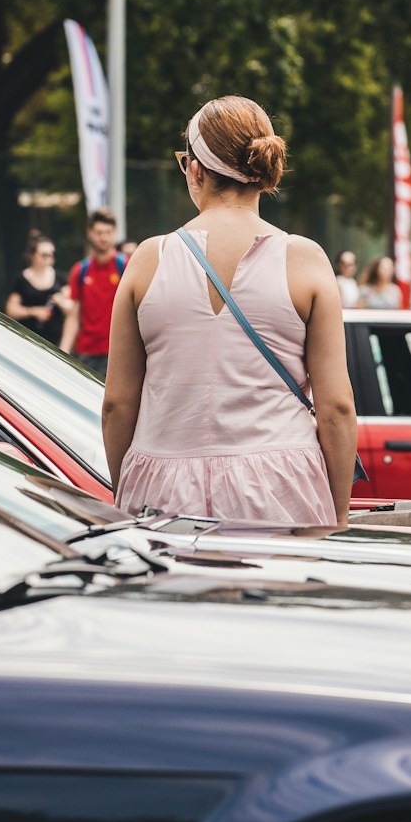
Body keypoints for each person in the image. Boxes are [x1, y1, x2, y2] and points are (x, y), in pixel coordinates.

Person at [102, 95, 356, 525]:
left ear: (197, 170)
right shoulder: (305, 260)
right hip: (281, 481)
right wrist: (339, 516)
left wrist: (127, 485)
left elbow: (116, 405)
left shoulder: (148, 259)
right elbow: (337, 409)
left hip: (163, 484)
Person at [60, 207, 127, 374]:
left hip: (118, 353)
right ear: (89, 233)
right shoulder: (80, 270)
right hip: (86, 354)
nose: (103, 237)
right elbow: (74, 315)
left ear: (115, 233)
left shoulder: (125, 266)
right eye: (98, 232)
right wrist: (63, 352)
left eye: (108, 232)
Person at [5, 231, 68, 343]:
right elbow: (11, 310)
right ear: (32, 255)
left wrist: (61, 302)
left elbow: (72, 309)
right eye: (44, 255)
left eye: (51, 254)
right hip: (27, 340)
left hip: (55, 342)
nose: (48, 258)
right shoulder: (22, 279)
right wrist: (33, 311)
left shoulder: (60, 278)